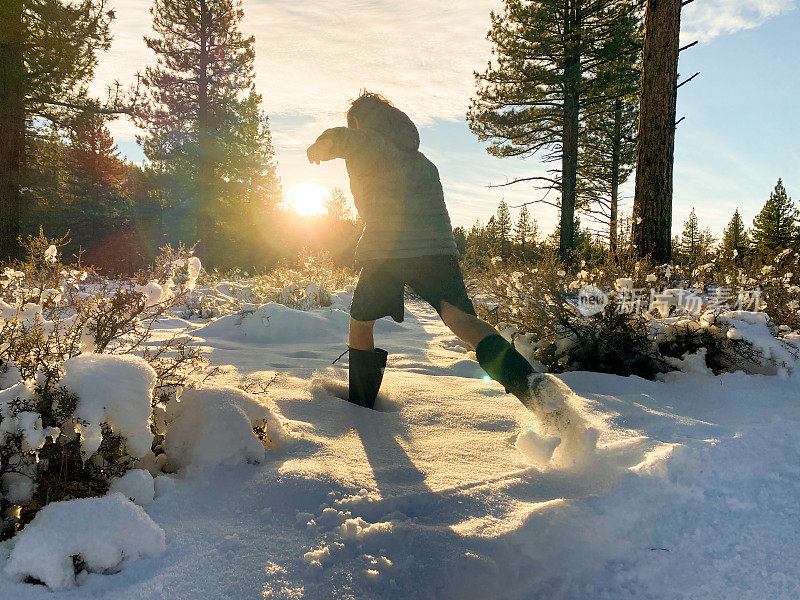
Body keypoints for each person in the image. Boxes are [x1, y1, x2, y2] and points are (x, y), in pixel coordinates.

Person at [306, 92, 556, 412]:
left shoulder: (369, 139)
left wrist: (323, 144)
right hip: (437, 250)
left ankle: (362, 404)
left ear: (360, 121)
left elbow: (346, 139)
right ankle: (530, 386)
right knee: (460, 319)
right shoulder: (422, 160)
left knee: (361, 321)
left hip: (388, 251)